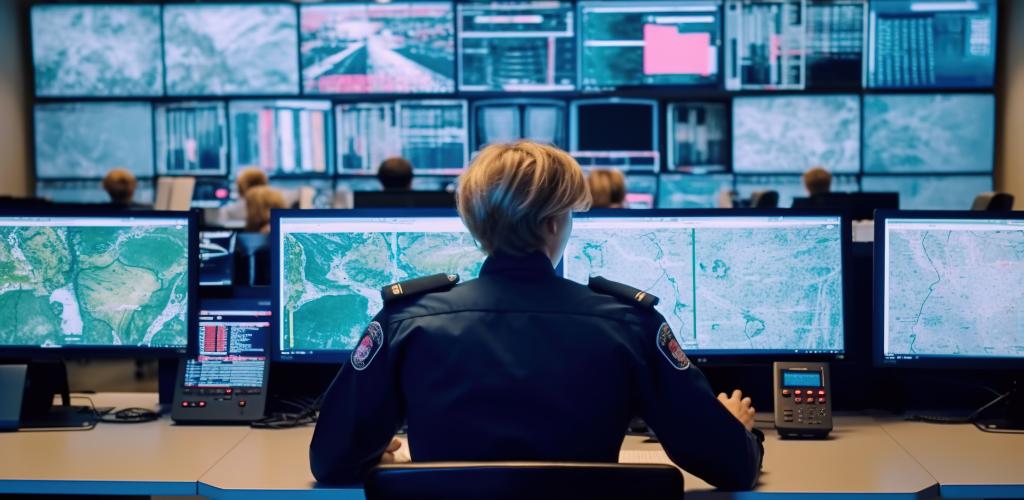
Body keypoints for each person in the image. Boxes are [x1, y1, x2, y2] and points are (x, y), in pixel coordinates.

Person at [309, 141, 764, 489]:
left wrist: (373, 454)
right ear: (552, 223)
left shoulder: (406, 322)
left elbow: (330, 462)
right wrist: (737, 432)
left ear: (473, 222)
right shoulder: (630, 324)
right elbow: (729, 468)